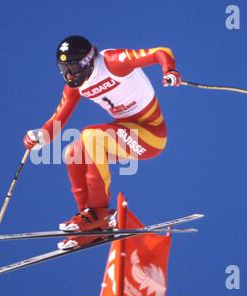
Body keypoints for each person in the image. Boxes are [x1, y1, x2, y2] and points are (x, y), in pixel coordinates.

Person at [23, 35, 181, 250]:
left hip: (151, 135)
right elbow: (57, 121)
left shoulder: (112, 62)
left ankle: (100, 214)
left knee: (91, 136)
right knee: (72, 152)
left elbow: (160, 51)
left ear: (88, 61)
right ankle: (90, 225)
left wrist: (169, 70)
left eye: (74, 67)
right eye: (63, 68)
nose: (69, 74)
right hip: (125, 131)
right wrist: (39, 136)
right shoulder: (75, 86)